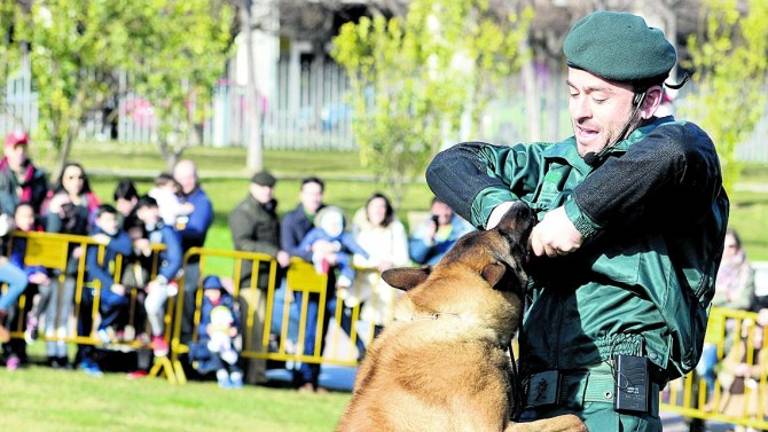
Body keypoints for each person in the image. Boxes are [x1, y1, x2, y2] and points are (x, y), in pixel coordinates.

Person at [424, 11, 729, 431]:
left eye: (599, 98)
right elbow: (450, 164)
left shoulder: (680, 174)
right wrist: (502, 213)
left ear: (651, 100)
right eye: (573, 93)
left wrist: (576, 217)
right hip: (524, 404)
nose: (581, 111)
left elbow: (676, 150)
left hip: (609, 407)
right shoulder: (550, 163)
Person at [228, 170, 289, 384]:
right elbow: (243, 243)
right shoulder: (244, 212)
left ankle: (257, 372)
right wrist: (273, 253)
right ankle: (254, 374)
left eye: (270, 187)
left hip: (267, 278)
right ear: (252, 187)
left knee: (262, 329)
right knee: (254, 326)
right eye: (263, 187)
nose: (268, 191)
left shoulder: (268, 210)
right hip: (250, 277)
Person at [280, 176, 329, 393]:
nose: (314, 197)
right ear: (301, 194)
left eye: (318, 193)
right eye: (310, 193)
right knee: (307, 330)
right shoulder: (291, 219)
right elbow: (289, 248)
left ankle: (314, 378)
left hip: (327, 282)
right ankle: (304, 378)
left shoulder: (329, 216)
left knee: (321, 331)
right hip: (304, 282)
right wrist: (314, 254)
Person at [349, 192, 409, 334]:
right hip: (361, 284)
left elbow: (402, 257)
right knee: (341, 310)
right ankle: (361, 350)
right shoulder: (360, 229)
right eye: (374, 206)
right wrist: (375, 263)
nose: (377, 210)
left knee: (381, 325)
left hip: (386, 287)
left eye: (382, 206)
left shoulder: (395, 228)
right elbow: (355, 255)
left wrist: (390, 263)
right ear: (367, 210)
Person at [135, 196, 183, 357]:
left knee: (152, 305)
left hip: (163, 279)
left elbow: (175, 258)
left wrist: (161, 279)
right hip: (143, 279)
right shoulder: (140, 230)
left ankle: (158, 336)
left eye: (151, 208)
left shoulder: (166, 230)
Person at [173, 160, 213, 341]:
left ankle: (185, 343)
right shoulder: (172, 197)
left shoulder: (202, 201)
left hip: (190, 261)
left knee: (187, 296)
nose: (185, 182)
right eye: (181, 178)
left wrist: (171, 231)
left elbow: (196, 231)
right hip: (168, 260)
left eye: (189, 177)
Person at [188, 275, 243, 389]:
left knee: (229, 353)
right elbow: (196, 325)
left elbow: (236, 321)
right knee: (214, 349)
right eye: (210, 291)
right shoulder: (202, 305)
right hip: (208, 338)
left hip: (226, 337)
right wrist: (205, 329)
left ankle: (236, 376)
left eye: (215, 290)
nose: (213, 294)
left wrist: (235, 329)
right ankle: (222, 374)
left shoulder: (228, 303)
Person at [298, 206, 369, 289]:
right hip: (318, 255)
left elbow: (353, 245)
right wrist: (310, 247)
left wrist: (365, 255)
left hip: (337, 256)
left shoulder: (343, 235)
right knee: (320, 256)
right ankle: (321, 264)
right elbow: (305, 244)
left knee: (346, 260)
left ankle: (345, 277)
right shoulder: (318, 232)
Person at [408, 197, 473, 266]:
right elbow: (416, 257)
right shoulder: (424, 228)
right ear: (432, 211)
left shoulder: (463, 226)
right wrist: (429, 238)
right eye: (439, 209)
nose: (443, 213)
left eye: (446, 208)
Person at [0, 131, 48, 217]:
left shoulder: (38, 176)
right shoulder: (2, 174)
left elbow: (42, 203)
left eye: (23, 148)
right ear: (6, 150)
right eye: (15, 147)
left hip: (30, 225)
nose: (20, 152)